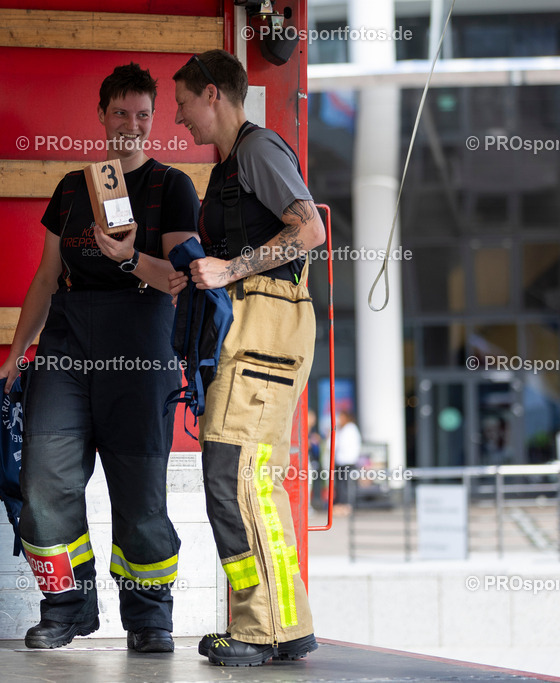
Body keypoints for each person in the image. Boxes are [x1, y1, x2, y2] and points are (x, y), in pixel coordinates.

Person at [0, 63, 199, 653]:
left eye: (143, 115)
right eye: (121, 114)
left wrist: (131, 257)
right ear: (102, 115)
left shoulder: (171, 186)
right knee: (44, 479)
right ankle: (65, 606)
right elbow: (45, 277)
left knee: (140, 490)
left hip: (141, 345)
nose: (131, 125)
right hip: (66, 343)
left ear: (153, 118)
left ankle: (149, 617)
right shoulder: (70, 188)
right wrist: (18, 352)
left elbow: (178, 282)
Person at [169, 50, 326, 667]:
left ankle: (266, 628)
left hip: (267, 329)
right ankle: (279, 624)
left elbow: (309, 230)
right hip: (251, 332)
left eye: (182, 104)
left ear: (213, 94)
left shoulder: (257, 151)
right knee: (245, 479)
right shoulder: (230, 166)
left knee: (235, 476)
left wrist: (230, 268)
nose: (179, 118)